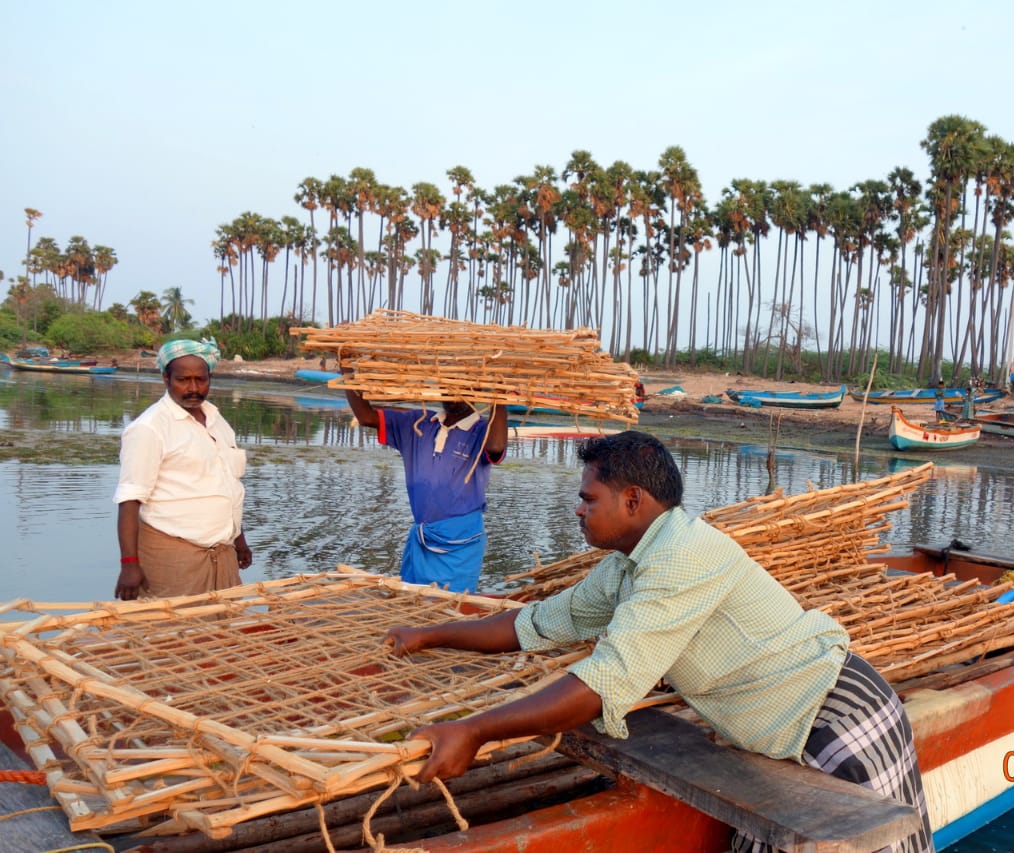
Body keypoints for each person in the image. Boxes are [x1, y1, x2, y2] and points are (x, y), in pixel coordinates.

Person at [384, 431, 934, 853]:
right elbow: (538, 623)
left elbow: (603, 683)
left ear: (631, 500)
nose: (579, 508)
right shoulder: (629, 563)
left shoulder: (680, 558)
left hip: (837, 719)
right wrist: (429, 635)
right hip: (777, 736)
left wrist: (473, 730)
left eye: (588, 497)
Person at [113, 339, 251, 600]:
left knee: (223, 634)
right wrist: (129, 564)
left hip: (223, 554)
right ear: (166, 378)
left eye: (201, 379)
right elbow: (129, 500)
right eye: (183, 380)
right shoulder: (149, 428)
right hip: (172, 555)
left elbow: (226, 484)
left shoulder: (217, 420)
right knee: (170, 635)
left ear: (210, 377)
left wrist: (239, 541)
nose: (193, 388)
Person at [345, 378, 507, 592]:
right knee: (413, 606)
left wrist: (500, 397)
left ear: (476, 390)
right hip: (422, 538)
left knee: (450, 611)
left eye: (460, 387)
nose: (452, 392)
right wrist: (346, 370)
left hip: (459, 543)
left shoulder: (482, 432)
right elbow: (366, 417)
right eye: (447, 386)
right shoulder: (418, 424)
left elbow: (496, 445)